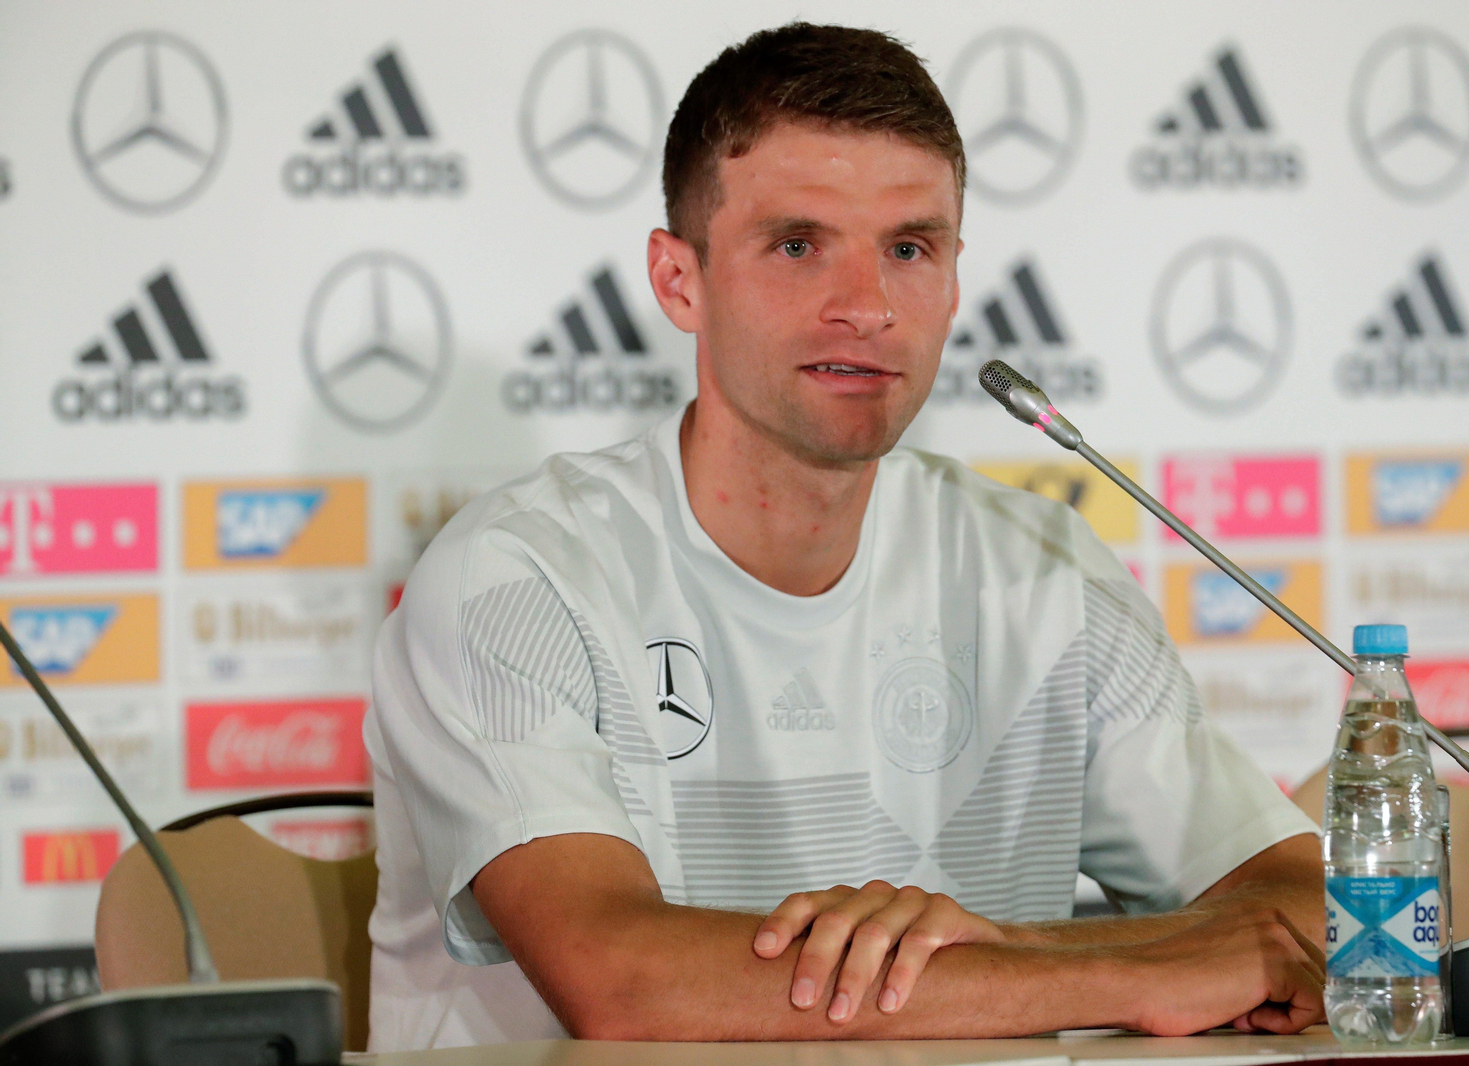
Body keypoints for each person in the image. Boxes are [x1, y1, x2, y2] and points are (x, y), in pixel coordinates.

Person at [364, 22, 1325, 1051]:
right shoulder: (516, 572)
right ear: (677, 280)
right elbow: (624, 983)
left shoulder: (1041, 570)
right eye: (796, 246)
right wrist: (1116, 974)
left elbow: (1310, 908)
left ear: (954, 279)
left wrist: (1005, 946)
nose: (865, 307)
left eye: (909, 248)